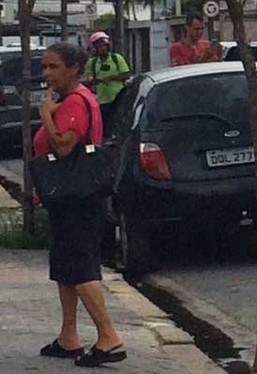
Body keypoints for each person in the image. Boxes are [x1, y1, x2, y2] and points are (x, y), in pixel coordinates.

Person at [35, 42, 126, 367]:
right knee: (65, 269)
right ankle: (68, 335)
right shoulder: (76, 99)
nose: (47, 74)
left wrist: (46, 116)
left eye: (54, 67)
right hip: (72, 198)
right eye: (44, 67)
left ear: (73, 69)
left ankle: (108, 336)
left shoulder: (74, 101)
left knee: (79, 267)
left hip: (77, 198)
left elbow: (63, 146)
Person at [83, 32, 130, 130]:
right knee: (105, 127)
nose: (102, 49)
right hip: (102, 101)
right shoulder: (92, 63)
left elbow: (126, 74)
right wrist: (94, 80)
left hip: (119, 99)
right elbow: (88, 79)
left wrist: (111, 78)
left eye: (104, 46)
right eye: (99, 47)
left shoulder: (116, 58)